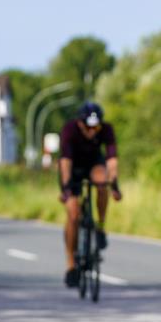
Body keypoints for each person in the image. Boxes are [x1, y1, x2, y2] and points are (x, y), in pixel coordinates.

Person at [58, 102, 121, 287]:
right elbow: (65, 162)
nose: (92, 131)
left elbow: (112, 161)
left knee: (103, 184)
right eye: (88, 127)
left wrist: (115, 186)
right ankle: (71, 264)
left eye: (96, 127)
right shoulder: (70, 130)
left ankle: (100, 227)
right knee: (73, 213)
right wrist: (66, 189)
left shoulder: (106, 129)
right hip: (73, 166)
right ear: (79, 123)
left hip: (94, 163)